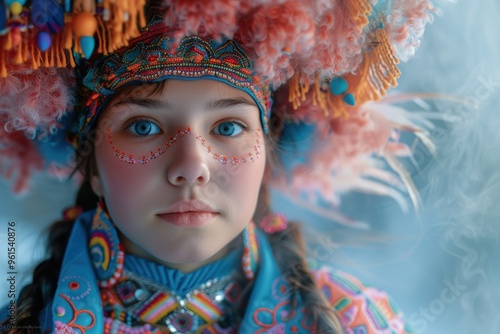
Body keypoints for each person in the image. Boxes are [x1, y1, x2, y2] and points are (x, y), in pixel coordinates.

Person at [0, 0, 436, 332]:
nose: (192, 167)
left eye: (228, 127)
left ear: (267, 152)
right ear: (92, 162)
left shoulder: (356, 320)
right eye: (144, 126)